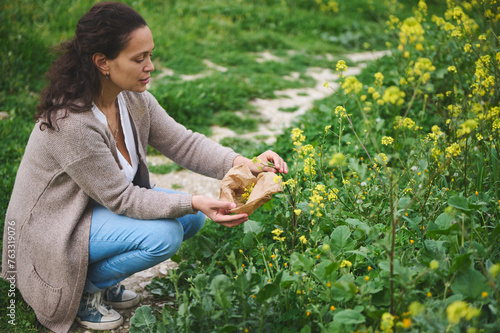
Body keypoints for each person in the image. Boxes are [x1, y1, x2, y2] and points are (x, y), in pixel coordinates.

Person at [1, 2, 288, 332]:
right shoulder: (74, 124)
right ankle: (81, 290)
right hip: (56, 229)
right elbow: (123, 199)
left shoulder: (132, 99)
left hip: (94, 211)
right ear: (102, 63)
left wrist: (245, 164)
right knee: (166, 233)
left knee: (190, 218)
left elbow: (184, 143)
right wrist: (193, 200)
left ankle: (103, 279)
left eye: (150, 55)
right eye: (139, 59)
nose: (150, 66)